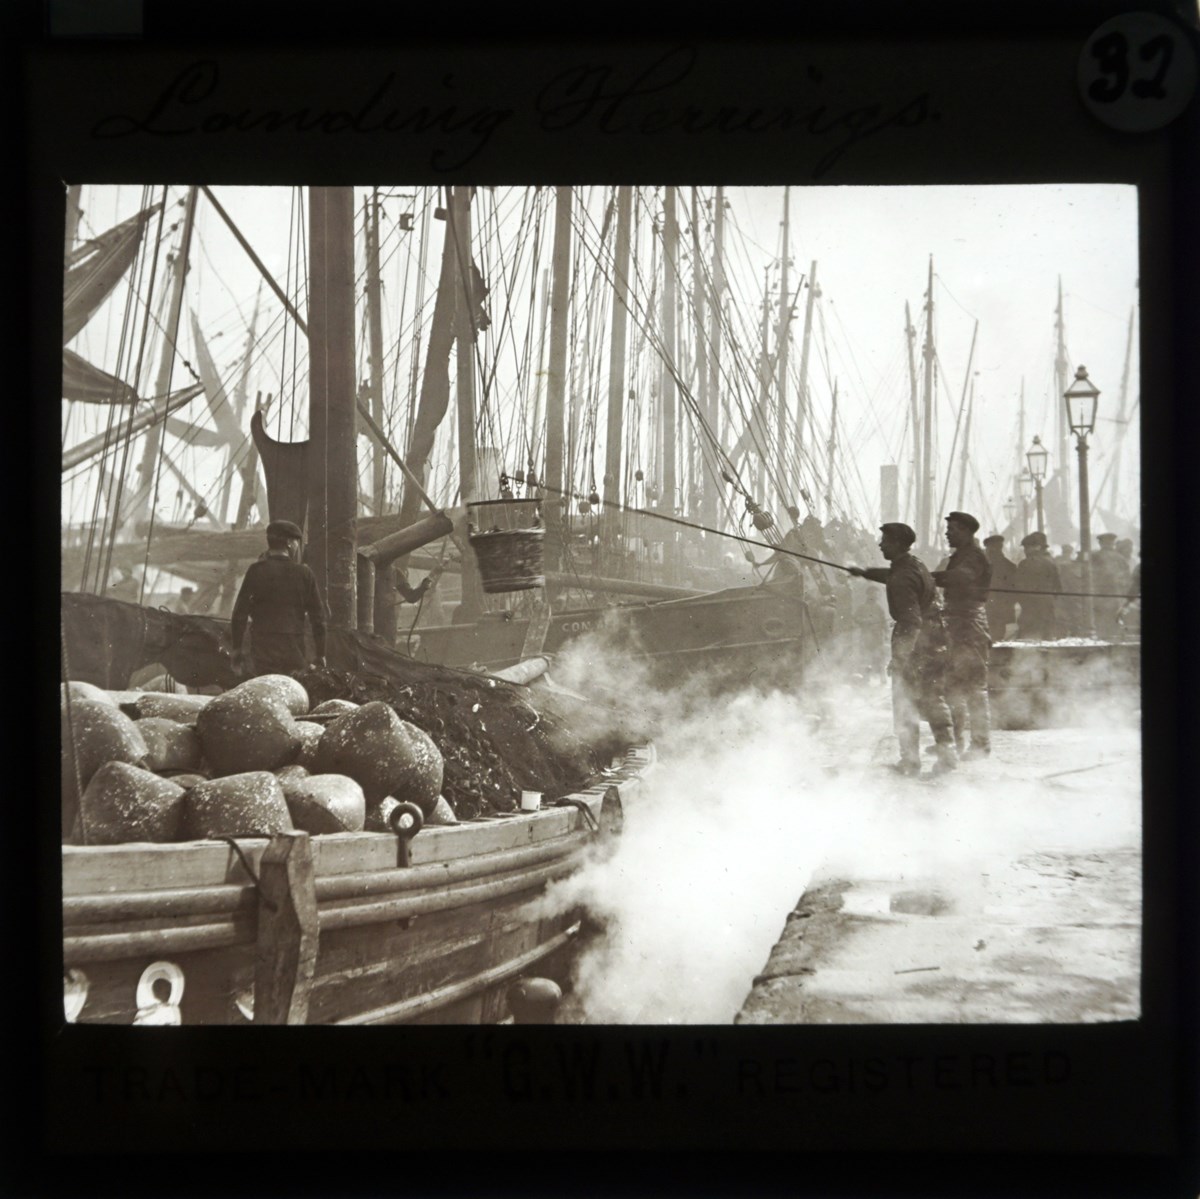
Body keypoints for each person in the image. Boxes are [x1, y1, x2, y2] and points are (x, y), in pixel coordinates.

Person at [849, 522, 958, 775]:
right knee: (933, 698)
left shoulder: (902, 577)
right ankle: (947, 754)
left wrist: (899, 658)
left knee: (905, 700)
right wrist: (865, 572)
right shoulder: (914, 564)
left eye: (884, 541)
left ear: (897, 544)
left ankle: (909, 761)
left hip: (916, 643)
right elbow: (893, 576)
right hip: (936, 638)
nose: (880, 544)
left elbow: (910, 620)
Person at [230, 520, 328, 678]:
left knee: (263, 688)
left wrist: (236, 649)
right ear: (289, 543)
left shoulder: (256, 571)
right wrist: (321, 653)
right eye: (296, 542)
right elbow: (319, 618)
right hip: (293, 650)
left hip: (262, 649)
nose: (297, 546)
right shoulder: (304, 574)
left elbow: (239, 614)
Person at [930, 511, 992, 760]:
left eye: (952, 529)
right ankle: (955, 742)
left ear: (966, 532)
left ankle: (980, 745)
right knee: (953, 686)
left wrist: (929, 577)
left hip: (970, 624)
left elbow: (961, 577)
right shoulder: (960, 556)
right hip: (956, 623)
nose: (947, 534)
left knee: (974, 687)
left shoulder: (974, 557)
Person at [1014, 531, 1061, 640]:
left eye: (1027, 548)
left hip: (1030, 607)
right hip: (1048, 605)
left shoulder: (1025, 563)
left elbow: (1018, 587)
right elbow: (1058, 587)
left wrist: (1023, 601)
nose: (1025, 551)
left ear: (1037, 547)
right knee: (1046, 635)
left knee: (1028, 637)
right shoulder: (1051, 563)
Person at [1093, 532, 1132, 640]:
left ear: (1101, 543)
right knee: (1115, 624)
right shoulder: (1121, 559)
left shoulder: (1095, 556)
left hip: (1099, 597)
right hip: (1117, 597)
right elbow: (1127, 580)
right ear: (1112, 543)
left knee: (1101, 626)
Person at [982, 533, 1017, 642]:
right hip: (1002, 606)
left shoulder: (984, 565)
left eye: (988, 549)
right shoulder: (1010, 565)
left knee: (990, 635)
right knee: (998, 636)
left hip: (989, 605)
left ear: (992, 549)